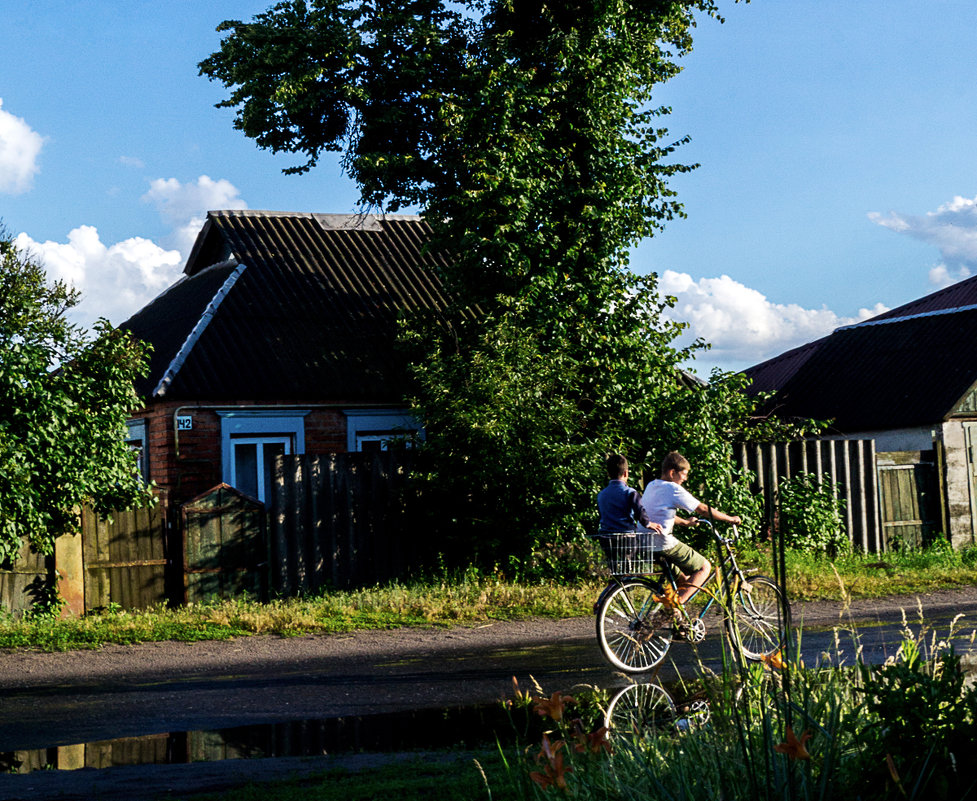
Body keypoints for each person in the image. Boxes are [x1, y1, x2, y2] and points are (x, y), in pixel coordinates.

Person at [640, 451, 741, 606]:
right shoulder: (673, 488)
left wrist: (685, 523)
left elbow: (658, 514)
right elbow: (702, 509)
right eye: (684, 474)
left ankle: (679, 624)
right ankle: (674, 608)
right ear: (672, 472)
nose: (685, 479)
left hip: (643, 541)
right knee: (704, 567)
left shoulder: (652, 485)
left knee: (683, 581)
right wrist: (730, 519)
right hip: (661, 542)